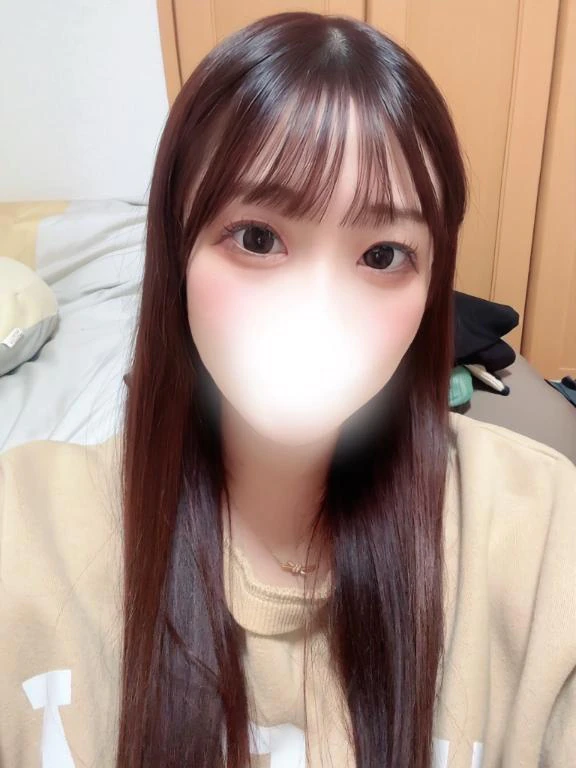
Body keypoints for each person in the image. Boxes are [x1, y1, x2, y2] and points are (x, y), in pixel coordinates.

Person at [0, 11, 574, 768]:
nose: (316, 312)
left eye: (383, 254)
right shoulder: (25, 529)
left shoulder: (542, 530)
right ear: (176, 254)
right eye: (258, 238)